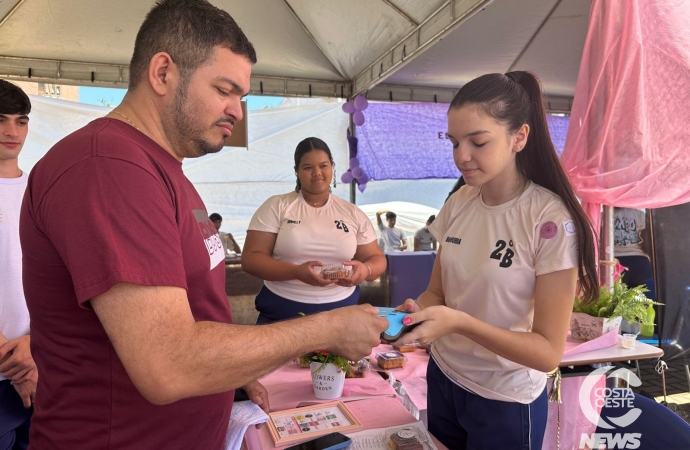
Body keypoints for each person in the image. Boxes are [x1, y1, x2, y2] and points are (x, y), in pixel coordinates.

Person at [19, 2, 388, 449]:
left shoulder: (163, 169)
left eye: (242, 97)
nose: (236, 110)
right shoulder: (109, 166)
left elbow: (192, 309)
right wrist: (327, 328)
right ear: (162, 73)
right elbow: (167, 363)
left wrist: (233, 374)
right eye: (224, 89)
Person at [396, 71, 598, 450]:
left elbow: (547, 352)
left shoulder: (548, 220)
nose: (462, 156)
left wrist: (458, 322)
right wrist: (414, 313)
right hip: (444, 377)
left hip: (505, 398)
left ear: (519, 136)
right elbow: (436, 292)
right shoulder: (459, 202)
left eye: (478, 142)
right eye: (454, 142)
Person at [242, 137, 387, 324]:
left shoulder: (352, 213)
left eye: (323, 165)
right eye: (308, 167)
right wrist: (296, 272)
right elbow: (251, 258)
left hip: (341, 315)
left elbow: (377, 258)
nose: (317, 173)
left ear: (332, 167)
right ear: (297, 172)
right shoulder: (277, 206)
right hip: (282, 314)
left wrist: (366, 271)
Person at [0, 80, 36, 450]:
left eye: (21, 120)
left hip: (43, 361)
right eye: (1, 119)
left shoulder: (41, 189)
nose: (12, 132)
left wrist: (36, 346)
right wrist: (17, 366)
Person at [613, 207, 656, 301]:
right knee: (643, 304)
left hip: (615, 262)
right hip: (640, 261)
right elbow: (647, 242)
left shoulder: (605, 215)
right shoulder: (640, 215)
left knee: (615, 306)